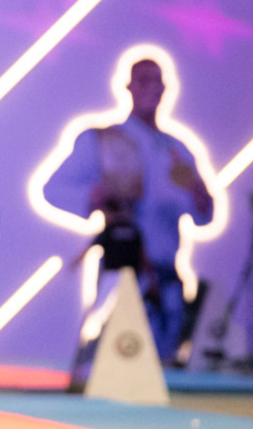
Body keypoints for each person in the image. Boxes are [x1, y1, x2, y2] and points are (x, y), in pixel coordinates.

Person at [42, 58, 214, 363]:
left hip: (167, 274)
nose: (151, 89)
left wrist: (203, 201)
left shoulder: (178, 150)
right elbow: (54, 189)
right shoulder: (104, 139)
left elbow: (202, 216)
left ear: (165, 89)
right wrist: (92, 196)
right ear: (128, 86)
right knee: (109, 364)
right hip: (122, 265)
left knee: (162, 367)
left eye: (157, 82)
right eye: (143, 81)